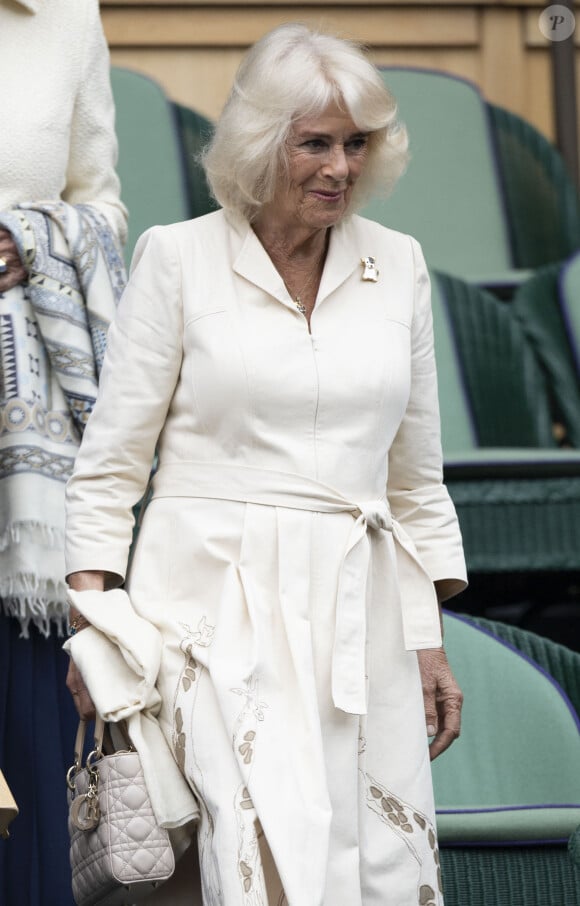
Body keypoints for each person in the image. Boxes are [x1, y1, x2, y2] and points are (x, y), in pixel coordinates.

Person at [64, 22, 467, 906]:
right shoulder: (177, 257)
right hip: (205, 611)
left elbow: (414, 479)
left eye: (356, 144)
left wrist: (428, 644)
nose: (340, 167)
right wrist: (97, 631)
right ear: (259, 141)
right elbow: (109, 471)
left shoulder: (399, 264)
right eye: (314, 143)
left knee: (366, 871)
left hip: (358, 614)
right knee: (240, 861)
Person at [0, 1, 127, 903]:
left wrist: (29, 240)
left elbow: (104, 207)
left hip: (23, 447)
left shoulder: (68, 15)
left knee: (29, 729)